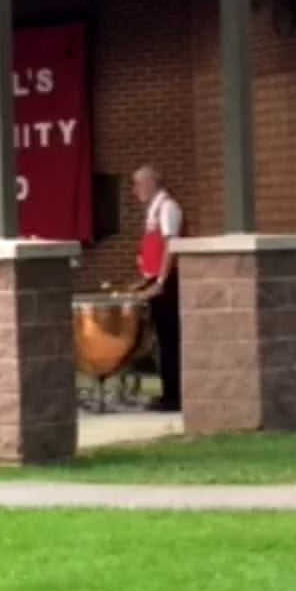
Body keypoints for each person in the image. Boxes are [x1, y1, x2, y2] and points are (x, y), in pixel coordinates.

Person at [132, 165, 183, 413]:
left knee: (170, 340)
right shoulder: (153, 212)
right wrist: (145, 280)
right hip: (156, 281)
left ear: (152, 183)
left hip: (169, 284)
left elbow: (170, 246)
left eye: (139, 184)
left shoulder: (168, 208)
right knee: (161, 341)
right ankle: (167, 392)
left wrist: (161, 282)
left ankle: (175, 396)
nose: (135, 190)